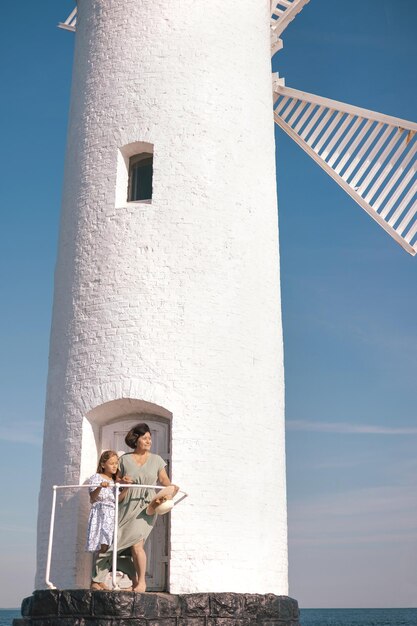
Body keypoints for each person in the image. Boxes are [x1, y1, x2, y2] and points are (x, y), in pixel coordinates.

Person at [91, 423, 179, 592]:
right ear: (136, 439)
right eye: (145, 438)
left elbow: (164, 481)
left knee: (137, 544)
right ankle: (102, 580)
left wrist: (171, 489)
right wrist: (122, 482)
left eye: (150, 438)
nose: (149, 441)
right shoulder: (124, 459)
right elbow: (116, 480)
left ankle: (141, 584)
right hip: (125, 504)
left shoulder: (157, 460)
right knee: (113, 542)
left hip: (146, 507)